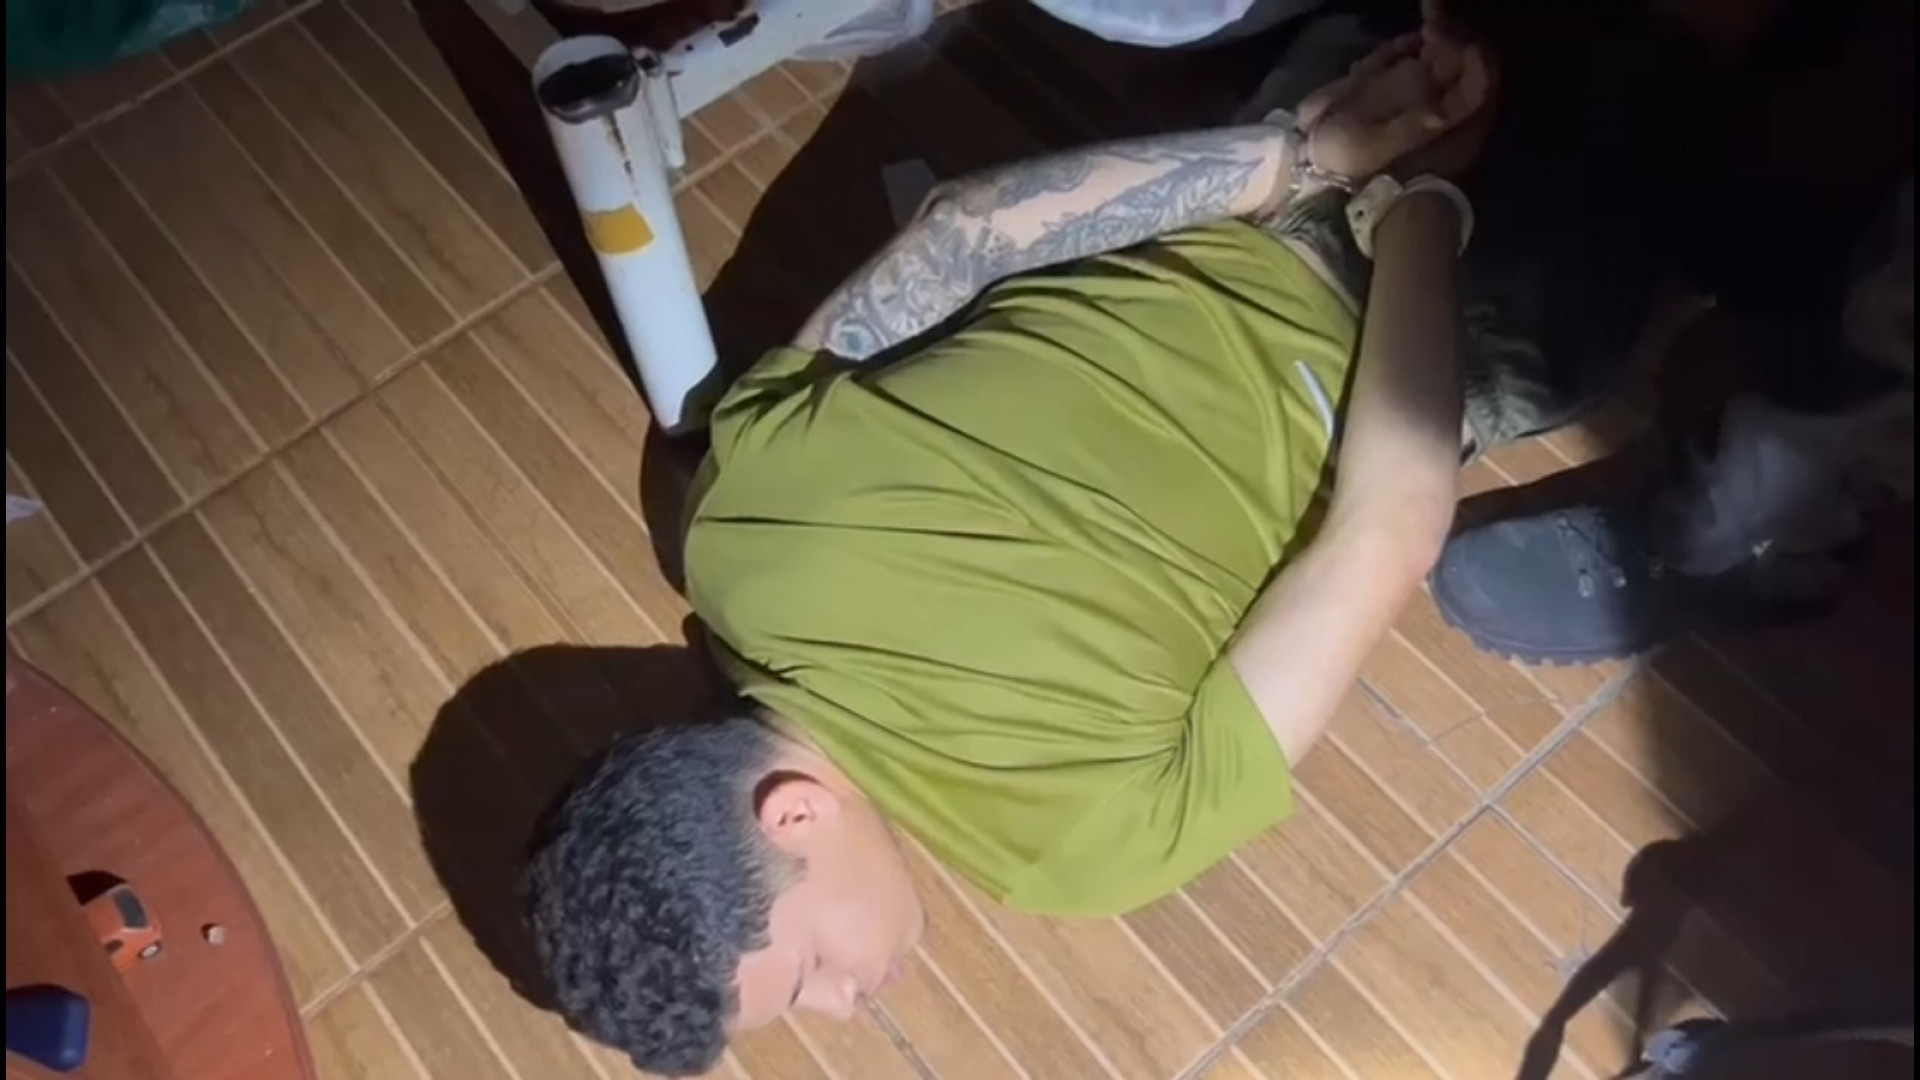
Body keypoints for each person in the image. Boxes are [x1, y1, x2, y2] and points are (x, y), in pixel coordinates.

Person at [526, 31, 1520, 1076]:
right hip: (1250, 181)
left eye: (809, 971)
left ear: (794, 813)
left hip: (1439, 309)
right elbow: (964, 231)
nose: (842, 1005)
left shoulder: (1074, 850)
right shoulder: (729, 525)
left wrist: (1419, 204)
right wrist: (1308, 156)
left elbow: (1393, 527)